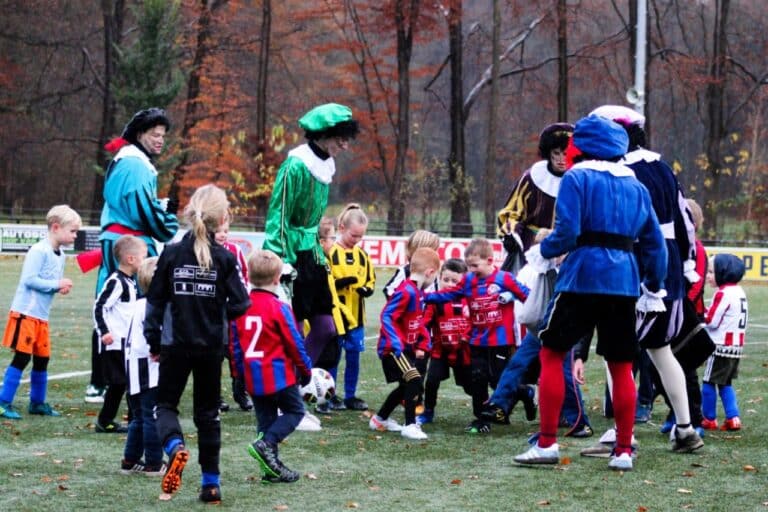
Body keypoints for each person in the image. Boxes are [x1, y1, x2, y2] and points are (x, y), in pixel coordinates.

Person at [512, 114, 667, 471]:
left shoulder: (576, 178)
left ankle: (548, 443)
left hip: (581, 276)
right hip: (624, 283)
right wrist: (654, 285)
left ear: (584, 146)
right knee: (621, 366)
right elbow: (654, 243)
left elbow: (566, 232)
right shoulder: (637, 187)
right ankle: (624, 450)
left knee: (552, 354)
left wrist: (541, 253)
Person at [589, 105, 704, 450]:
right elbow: (685, 221)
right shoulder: (662, 167)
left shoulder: (620, 172)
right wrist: (686, 264)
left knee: (617, 350)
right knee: (660, 349)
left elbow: (624, 224)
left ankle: (621, 433)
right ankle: (685, 428)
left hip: (635, 265)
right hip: (668, 267)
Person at [484, 122, 592, 436]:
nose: (561, 159)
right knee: (534, 342)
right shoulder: (533, 178)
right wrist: (513, 237)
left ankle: (570, 415)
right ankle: (503, 401)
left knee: (550, 346)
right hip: (533, 263)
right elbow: (511, 214)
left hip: (568, 266)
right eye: (556, 152)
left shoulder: (581, 180)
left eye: (566, 153)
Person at [144, 185, 251, 504]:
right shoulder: (224, 258)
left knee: (164, 406)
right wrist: (218, 312)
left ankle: (175, 447)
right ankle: (211, 485)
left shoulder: (173, 252)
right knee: (207, 415)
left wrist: (153, 340)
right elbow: (242, 303)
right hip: (210, 347)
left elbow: (155, 301)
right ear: (221, 218)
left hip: (175, 344)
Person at [85, 107, 179, 403]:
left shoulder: (126, 162)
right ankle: (111, 381)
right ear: (140, 134)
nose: (160, 140)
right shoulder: (136, 165)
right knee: (128, 309)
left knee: (112, 308)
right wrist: (168, 220)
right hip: (131, 246)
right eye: (155, 134)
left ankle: (102, 381)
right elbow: (143, 209)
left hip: (121, 241)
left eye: (163, 135)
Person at [425, 239, 529, 435]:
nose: (471, 270)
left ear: (489, 260)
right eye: (469, 266)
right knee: (478, 379)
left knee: (498, 380)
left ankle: (524, 392)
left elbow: (527, 295)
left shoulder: (504, 278)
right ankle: (481, 419)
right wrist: (424, 297)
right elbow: (450, 294)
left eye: (475, 266)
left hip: (499, 340)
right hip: (476, 340)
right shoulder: (469, 280)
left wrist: (515, 298)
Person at [235, 249, 313, 483]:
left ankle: (271, 470)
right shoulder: (279, 307)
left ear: (248, 275)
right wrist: (306, 369)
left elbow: (234, 345)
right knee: (295, 411)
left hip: (253, 376)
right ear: (278, 279)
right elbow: (294, 341)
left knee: (266, 421)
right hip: (278, 375)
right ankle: (267, 445)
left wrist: (239, 375)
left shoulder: (241, 307)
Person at [0, 205, 80, 419]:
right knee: (22, 357)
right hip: (25, 313)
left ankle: (37, 403)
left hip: (41, 317)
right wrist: (56, 283)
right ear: (56, 227)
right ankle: (2, 402)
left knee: (42, 359)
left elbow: (50, 282)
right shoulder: (38, 250)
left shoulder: (61, 254)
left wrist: (59, 286)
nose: (75, 236)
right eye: (72, 231)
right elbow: (29, 280)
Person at [370, 247, 440, 440]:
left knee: (405, 386)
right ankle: (410, 425)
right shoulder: (407, 291)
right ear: (430, 272)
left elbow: (417, 322)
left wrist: (423, 343)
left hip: (404, 349)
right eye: (435, 278)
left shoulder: (417, 293)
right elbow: (387, 315)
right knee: (415, 380)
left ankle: (380, 419)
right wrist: (396, 343)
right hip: (393, 350)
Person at [93, 235, 148, 433]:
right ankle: (105, 421)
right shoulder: (116, 282)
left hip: (127, 344)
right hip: (114, 344)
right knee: (119, 384)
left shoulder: (131, 283)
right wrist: (104, 332)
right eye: (143, 256)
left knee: (130, 383)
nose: (145, 260)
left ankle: (133, 420)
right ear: (130, 259)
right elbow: (99, 307)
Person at [327, 203, 375, 411]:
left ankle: (350, 395)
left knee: (354, 356)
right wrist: (341, 283)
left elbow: (371, 280)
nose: (356, 240)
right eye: (353, 235)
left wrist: (367, 289)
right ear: (342, 228)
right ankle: (330, 395)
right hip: (336, 316)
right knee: (333, 357)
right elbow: (325, 282)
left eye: (360, 237)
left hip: (357, 318)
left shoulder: (363, 256)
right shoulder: (330, 252)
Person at [121, 256, 165, 476]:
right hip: (147, 364)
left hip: (132, 364)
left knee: (139, 415)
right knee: (151, 415)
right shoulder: (153, 306)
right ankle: (154, 462)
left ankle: (130, 459)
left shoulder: (137, 304)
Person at [416, 258, 471, 425]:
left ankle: (484, 411)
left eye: (455, 281)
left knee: (471, 386)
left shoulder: (469, 300)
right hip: (441, 350)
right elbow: (424, 324)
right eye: (445, 279)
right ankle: (428, 411)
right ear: (439, 278)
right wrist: (420, 344)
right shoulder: (435, 300)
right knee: (432, 381)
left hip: (463, 352)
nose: (449, 284)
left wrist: (467, 337)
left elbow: (475, 324)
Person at [701, 254, 747, 431]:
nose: (708, 276)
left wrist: (698, 313)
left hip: (720, 346)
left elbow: (711, 321)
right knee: (725, 383)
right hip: (735, 347)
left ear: (723, 272)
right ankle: (733, 418)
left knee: (708, 382)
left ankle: (709, 419)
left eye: (712, 272)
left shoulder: (723, 293)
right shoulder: (739, 291)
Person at [214, 216, 253, 413]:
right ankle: (216, 397)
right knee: (217, 354)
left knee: (237, 353)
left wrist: (240, 298)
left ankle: (240, 392)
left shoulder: (235, 251)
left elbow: (243, 275)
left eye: (226, 231)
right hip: (214, 312)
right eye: (219, 230)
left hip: (233, 312)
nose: (222, 235)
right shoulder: (204, 251)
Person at [382, 230, 440, 299]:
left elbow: (437, 294)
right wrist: (404, 302)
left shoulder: (434, 274)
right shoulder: (405, 271)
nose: (436, 254)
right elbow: (389, 290)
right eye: (434, 250)